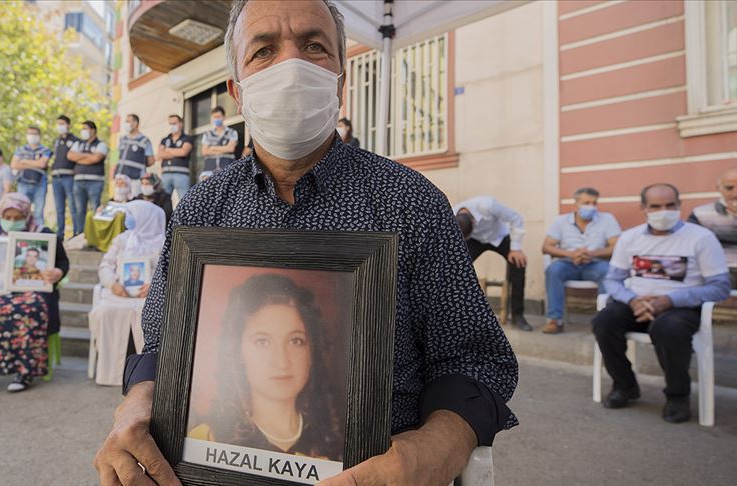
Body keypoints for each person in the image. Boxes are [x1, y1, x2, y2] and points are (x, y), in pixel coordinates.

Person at [94, 2, 517, 485]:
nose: (291, 65)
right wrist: (139, 399)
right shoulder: (200, 208)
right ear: (237, 92)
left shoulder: (412, 203)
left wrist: (433, 449)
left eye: (314, 46)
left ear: (340, 82)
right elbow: (161, 343)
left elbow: (475, 359)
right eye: (263, 51)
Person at [593, 184, 729, 423]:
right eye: (655, 206)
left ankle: (677, 396)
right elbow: (613, 280)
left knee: (668, 328)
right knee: (603, 322)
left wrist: (669, 300)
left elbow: (720, 287)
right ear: (644, 208)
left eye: (669, 205)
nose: (663, 211)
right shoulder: (630, 237)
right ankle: (625, 386)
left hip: (680, 309)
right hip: (637, 304)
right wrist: (632, 300)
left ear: (679, 205)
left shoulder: (701, 238)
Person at [187, 274, 342, 461]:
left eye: (295, 341)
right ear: (238, 352)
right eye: (262, 342)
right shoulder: (205, 439)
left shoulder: (338, 444)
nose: (282, 361)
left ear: (311, 351)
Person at [0, 193, 69, 395]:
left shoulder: (43, 234)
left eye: (18, 217)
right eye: (7, 217)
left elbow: (63, 262)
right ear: (0, 215)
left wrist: (58, 273)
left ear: (27, 216)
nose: (12, 221)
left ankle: (25, 371)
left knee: (30, 308)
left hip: (31, 290)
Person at [88, 200, 165, 386]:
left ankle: (146, 377)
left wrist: (155, 286)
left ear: (145, 218)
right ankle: (111, 373)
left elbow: (169, 271)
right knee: (105, 312)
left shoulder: (164, 243)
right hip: (119, 294)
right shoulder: (122, 239)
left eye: (131, 215)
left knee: (149, 314)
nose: (127, 219)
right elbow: (105, 265)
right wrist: (112, 284)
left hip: (149, 296)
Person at [540, 187, 621, 333]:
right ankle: (555, 320)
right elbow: (546, 247)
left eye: (594, 203)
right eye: (586, 203)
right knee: (553, 270)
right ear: (576, 205)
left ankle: (605, 320)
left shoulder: (607, 219)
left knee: (608, 271)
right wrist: (571, 254)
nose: (591, 207)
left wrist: (592, 253)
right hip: (568, 263)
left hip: (595, 264)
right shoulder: (561, 221)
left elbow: (616, 247)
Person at [455, 196, 532, 331]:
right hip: (474, 240)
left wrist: (516, 248)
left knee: (518, 263)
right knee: (456, 269)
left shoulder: (488, 205)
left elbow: (516, 218)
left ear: (473, 221)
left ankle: (518, 315)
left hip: (499, 236)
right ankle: (460, 314)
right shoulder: (451, 213)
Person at [688, 168, 737, 288]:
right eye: (729, 188)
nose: (735, 194)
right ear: (719, 189)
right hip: (720, 270)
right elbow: (690, 245)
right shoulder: (700, 214)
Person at [68, 120, 108, 235]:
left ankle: (96, 235)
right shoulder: (78, 144)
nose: (83, 131)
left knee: (96, 208)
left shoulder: (101, 145)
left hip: (95, 181)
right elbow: (70, 156)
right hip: (78, 181)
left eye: (85, 128)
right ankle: (80, 234)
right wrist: (88, 156)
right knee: (79, 210)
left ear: (93, 130)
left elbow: (96, 159)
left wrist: (79, 158)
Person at [11, 126, 52, 224]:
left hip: (40, 184)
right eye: (30, 134)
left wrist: (24, 161)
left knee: (38, 212)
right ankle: (21, 230)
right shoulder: (20, 149)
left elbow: (42, 164)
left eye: (34, 134)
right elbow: (14, 165)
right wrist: (35, 163)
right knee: (21, 210)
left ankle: (38, 231)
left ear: (39, 135)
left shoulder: (45, 150)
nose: (32, 136)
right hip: (23, 183)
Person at [50, 115, 81, 240]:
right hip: (56, 177)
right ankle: (60, 234)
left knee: (73, 206)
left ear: (68, 125)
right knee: (59, 208)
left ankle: (76, 232)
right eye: (58, 124)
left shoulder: (75, 140)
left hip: (69, 177)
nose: (60, 126)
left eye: (62, 123)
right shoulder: (56, 141)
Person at [115, 114, 155, 196]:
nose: (125, 124)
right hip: (121, 178)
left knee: (135, 200)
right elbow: (116, 157)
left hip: (135, 179)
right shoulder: (122, 139)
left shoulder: (144, 140)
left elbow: (151, 161)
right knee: (120, 201)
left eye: (128, 121)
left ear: (135, 123)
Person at [157, 114, 194, 201]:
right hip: (165, 174)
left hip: (181, 174)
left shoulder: (187, 138)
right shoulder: (165, 140)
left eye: (174, 123)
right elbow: (160, 154)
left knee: (185, 200)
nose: (172, 126)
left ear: (181, 124)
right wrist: (177, 152)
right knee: (163, 200)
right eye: (170, 124)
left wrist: (167, 150)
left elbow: (183, 152)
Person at [200, 106, 238, 172]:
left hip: (227, 169)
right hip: (209, 170)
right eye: (214, 117)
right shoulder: (207, 134)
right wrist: (224, 149)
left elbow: (231, 149)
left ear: (224, 117)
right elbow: (204, 152)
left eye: (218, 117)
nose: (216, 119)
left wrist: (212, 148)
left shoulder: (232, 132)